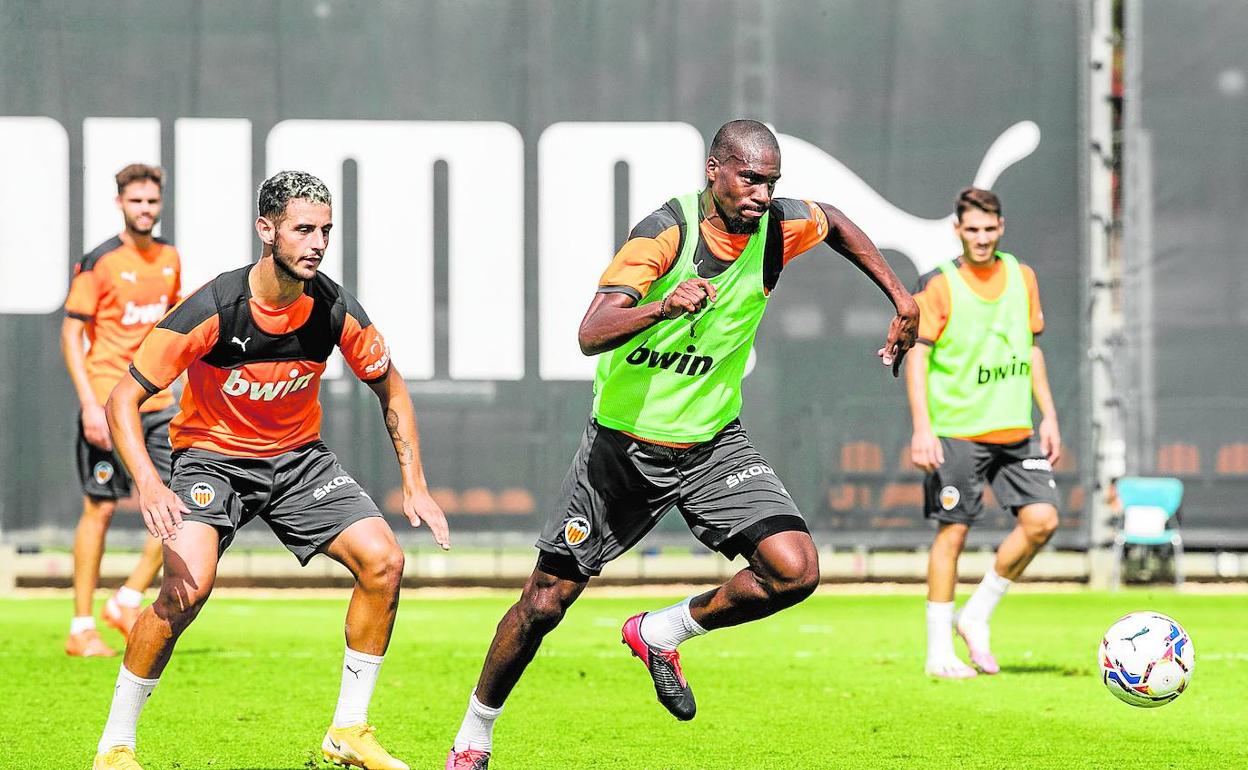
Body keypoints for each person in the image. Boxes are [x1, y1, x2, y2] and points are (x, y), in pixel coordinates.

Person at [445, 119, 919, 769]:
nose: (761, 193)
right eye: (750, 178)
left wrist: (901, 297)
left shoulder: (777, 229)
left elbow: (833, 220)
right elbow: (592, 331)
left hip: (712, 444)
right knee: (545, 602)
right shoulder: (664, 235)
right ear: (714, 171)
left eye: (771, 182)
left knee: (795, 570)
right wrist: (664, 306)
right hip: (622, 452)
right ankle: (474, 735)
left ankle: (662, 630)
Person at [91, 171, 450, 770]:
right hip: (211, 459)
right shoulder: (213, 307)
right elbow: (121, 398)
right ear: (266, 229)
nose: (317, 243)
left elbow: (390, 385)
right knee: (186, 588)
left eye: (325, 232)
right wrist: (151, 484)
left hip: (298, 461)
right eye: (303, 229)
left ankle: (348, 730)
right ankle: (115, 746)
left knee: (384, 560)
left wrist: (415, 483)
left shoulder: (332, 307)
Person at [906, 187, 1061, 679]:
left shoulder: (1023, 276)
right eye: (971, 229)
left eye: (989, 228)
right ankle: (937, 651)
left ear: (1001, 227)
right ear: (958, 230)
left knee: (1043, 521)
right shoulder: (939, 283)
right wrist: (923, 428)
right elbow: (918, 355)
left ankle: (975, 616)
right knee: (953, 532)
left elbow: (1032, 350)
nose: (981, 237)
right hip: (957, 431)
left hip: (1016, 429)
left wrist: (1049, 415)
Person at [61, 163, 181, 657]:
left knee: (181, 508)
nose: (145, 209)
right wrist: (91, 402)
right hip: (111, 403)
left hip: (161, 404)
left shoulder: (171, 256)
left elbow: (175, 328)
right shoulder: (101, 261)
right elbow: (72, 333)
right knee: (101, 507)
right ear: (120, 204)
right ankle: (82, 627)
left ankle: (128, 598)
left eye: (152, 201)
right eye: (136, 201)